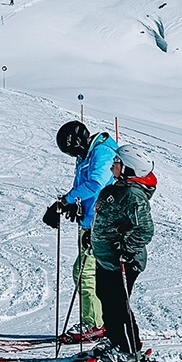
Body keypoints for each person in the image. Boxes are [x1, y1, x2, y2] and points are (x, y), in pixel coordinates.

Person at [44, 120, 120, 343]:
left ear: (78, 142)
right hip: (90, 223)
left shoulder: (102, 153)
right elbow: (87, 187)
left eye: (72, 151)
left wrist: (66, 200)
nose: (73, 156)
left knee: (85, 272)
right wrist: (76, 206)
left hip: (101, 224)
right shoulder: (86, 155)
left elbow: (97, 184)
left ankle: (94, 324)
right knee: (86, 272)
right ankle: (99, 321)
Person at [88, 145, 157, 362]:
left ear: (128, 168)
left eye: (117, 162)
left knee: (118, 303)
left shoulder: (132, 194)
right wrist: (91, 237)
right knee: (105, 297)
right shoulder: (120, 188)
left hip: (123, 261)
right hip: (107, 258)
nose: (112, 165)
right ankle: (114, 340)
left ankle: (128, 349)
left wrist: (127, 250)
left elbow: (144, 229)